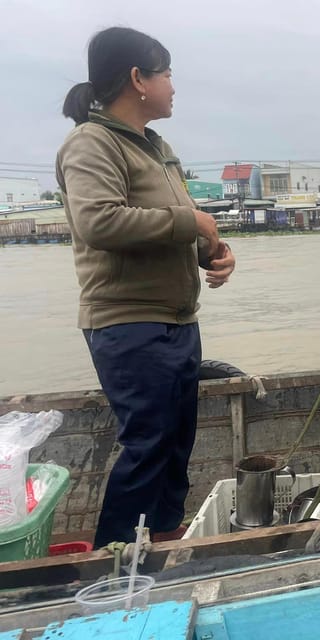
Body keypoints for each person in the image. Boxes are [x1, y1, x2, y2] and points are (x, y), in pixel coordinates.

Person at [55, 27, 236, 547]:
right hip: (128, 323)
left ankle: (163, 542)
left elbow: (179, 224)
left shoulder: (157, 147)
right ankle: (112, 564)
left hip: (176, 320)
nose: (173, 85)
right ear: (138, 79)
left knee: (176, 443)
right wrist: (192, 224)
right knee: (147, 445)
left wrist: (215, 254)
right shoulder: (91, 143)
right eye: (166, 73)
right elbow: (101, 223)